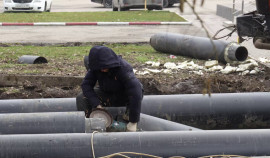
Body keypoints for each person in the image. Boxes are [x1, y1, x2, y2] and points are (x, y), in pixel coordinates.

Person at [76, 46, 143, 132]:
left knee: (138, 89)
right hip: (107, 94)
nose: (102, 70)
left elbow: (135, 92)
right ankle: (91, 124)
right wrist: (96, 105)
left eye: (104, 67)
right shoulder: (96, 68)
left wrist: (133, 121)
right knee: (81, 97)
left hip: (124, 96)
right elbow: (86, 85)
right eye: (100, 68)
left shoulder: (123, 68)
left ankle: (128, 116)